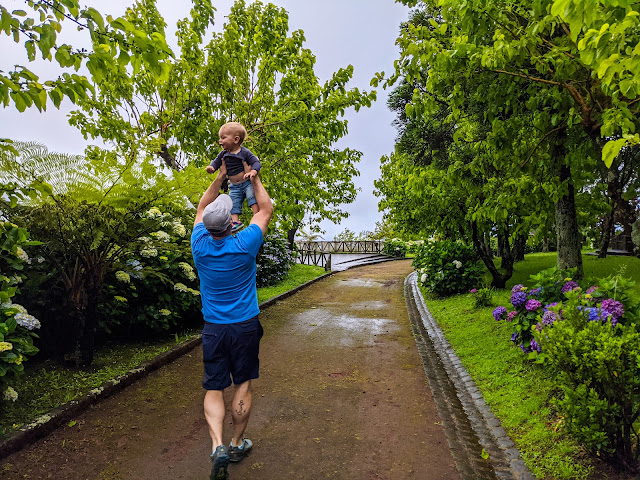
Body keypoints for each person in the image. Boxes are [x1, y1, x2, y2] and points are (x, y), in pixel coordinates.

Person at [191, 159, 274, 480]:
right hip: (245, 327)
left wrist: (220, 177)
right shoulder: (244, 244)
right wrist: (253, 178)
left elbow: (202, 206)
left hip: (214, 329)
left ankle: (217, 446)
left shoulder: (199, 245)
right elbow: (264, 210)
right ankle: (237, 444)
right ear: (231, 224)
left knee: (214, 387)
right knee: (242, 384)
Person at [206, 122, 262, 232]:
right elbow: (216, 161)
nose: (220, 141)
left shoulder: (244, 152)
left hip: (246, 183)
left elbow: (256, 162)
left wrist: (253, 171)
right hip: (234, 186)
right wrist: (212, 167)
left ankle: (257, 215)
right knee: (232, 203)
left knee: (252, 197)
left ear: (236, 139)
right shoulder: (223, 154)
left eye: (223, 138)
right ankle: (235, 222)